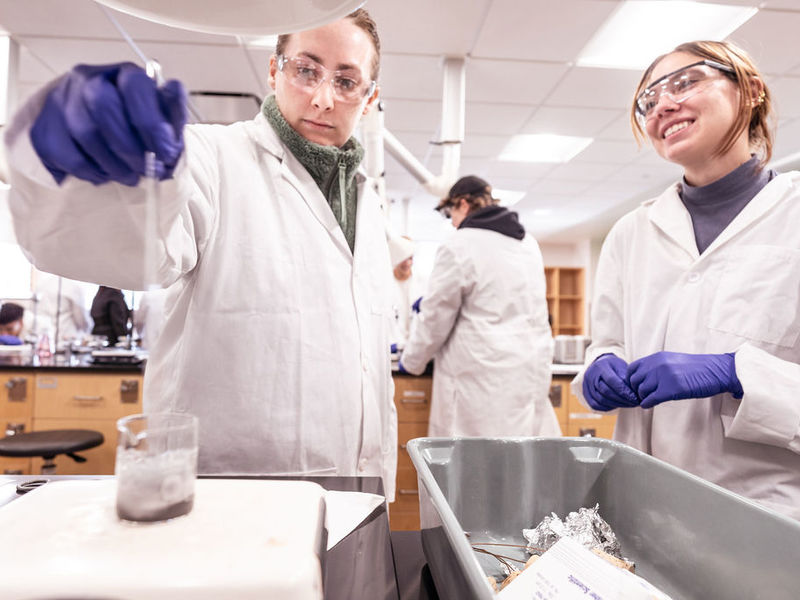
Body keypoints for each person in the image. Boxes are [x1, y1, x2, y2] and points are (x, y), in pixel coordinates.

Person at [4, 10, 397, 497]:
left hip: (358, 493)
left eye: (346, 80)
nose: (322, 98)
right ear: (274, 71)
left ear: (370, 96)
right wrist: (92, 171)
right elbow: (131, 243)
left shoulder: (369, 204)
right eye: (306, 70)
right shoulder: (210, 160)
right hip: (228, 496)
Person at [572, 40, 800, 520]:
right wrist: (601, 364)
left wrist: (735, 372)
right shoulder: (631, 232)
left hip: (765, 516)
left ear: (751, 91)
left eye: (685, 82)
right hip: (642, 505)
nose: (662, 106)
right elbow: (608, 341)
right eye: (648, 102)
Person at [400, 176, 560, 437]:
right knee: (520, 461)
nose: (451, 222)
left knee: (472, 467)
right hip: (526, 372)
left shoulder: (459, 243)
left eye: (449, 214)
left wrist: (413, 360)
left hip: (478, 379)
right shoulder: (527, 243)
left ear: (462, 204)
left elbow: (435, 318)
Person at [34, 271, 91, 344]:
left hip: (45, 340)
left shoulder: (42, 284)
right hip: (67, 340)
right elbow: (82, 320)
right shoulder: (73, 286)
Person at [386, 233, 416, 348]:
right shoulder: (386, 284)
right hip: (393, 345)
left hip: (415, 347)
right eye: (403, 258)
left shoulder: (422, 283)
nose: (407, 263)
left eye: (410, 258)